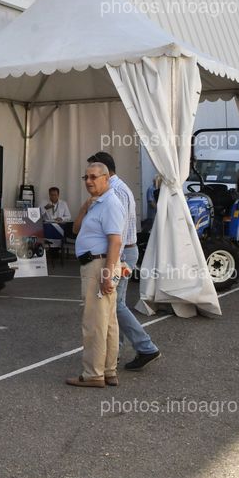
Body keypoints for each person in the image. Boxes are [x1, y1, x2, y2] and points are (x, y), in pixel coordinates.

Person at [88, 152, 161, 372]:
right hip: (125, 252)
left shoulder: (115, 192)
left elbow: (115, 234)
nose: (91, 180)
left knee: (115, 305)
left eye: (94, 175)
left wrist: (110, 266)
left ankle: (146, 346)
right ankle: (114, 353)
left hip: (121, 253)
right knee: (114, 305)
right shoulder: (121, 188)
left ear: (106, 173)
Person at [66, 162, 124, 388]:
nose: (88, 181)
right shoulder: (98, 203)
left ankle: (93, 374)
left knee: (94, 323)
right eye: (86, 177)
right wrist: (84, 208)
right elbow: (76, 229)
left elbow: (115, 241)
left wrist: (107, 274)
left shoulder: (109, 203)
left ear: (106, 179)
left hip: (99, 265)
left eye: (94, 177)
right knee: (107, 322)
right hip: (98, 264)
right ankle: (108, 371)